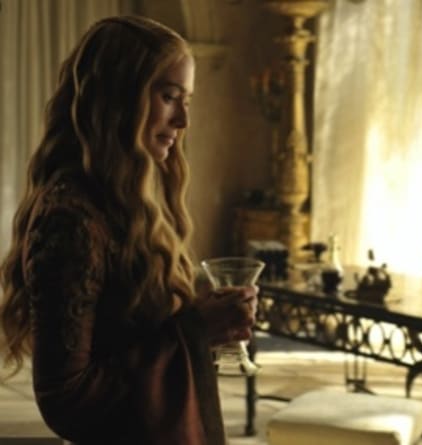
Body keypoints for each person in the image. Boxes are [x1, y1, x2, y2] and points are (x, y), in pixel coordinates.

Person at [0, 16, 257, 445]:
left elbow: (130, 335)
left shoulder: (128, 202)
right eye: (169, 96)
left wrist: (201, 319)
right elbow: (65, 398)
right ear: (117, 98)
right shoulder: (71, 219)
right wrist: (195, 330)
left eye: (187, 100)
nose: (183, 121)